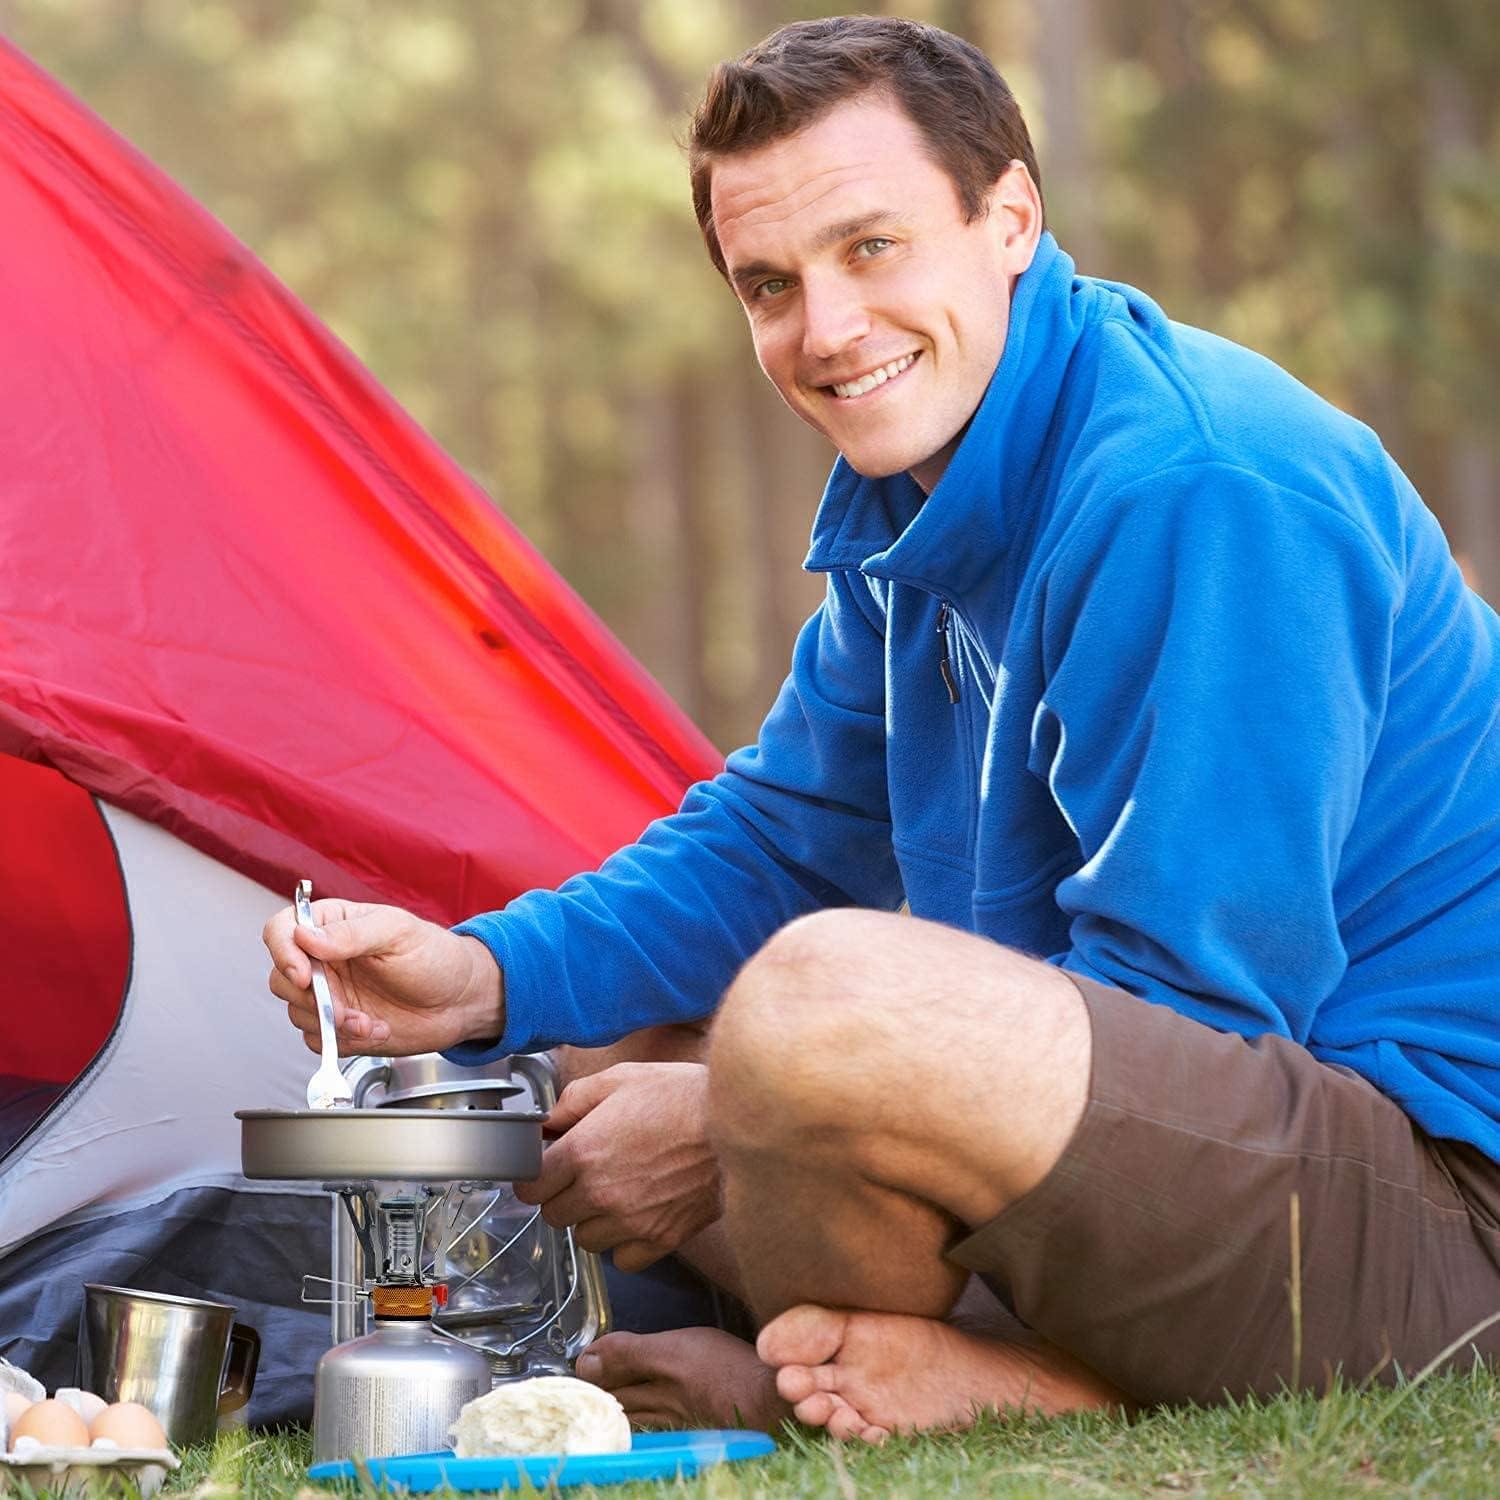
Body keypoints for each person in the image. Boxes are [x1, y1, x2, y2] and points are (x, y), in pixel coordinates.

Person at [266, 15, 1500, 1442]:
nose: (826, 329)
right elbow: (782, 835)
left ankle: (1027, 1386)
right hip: (1238, 1151)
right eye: (771, 283)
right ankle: (835, 1359)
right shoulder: (922, 501)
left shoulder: (1192, 486)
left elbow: (1196, 1018)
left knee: (809, 1010)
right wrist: (479, 977)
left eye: (872, 248)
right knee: (613, 1039)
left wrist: (737, 1127)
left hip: (1433, 1203)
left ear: (1010, 218)